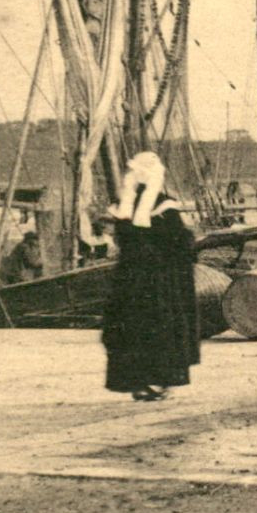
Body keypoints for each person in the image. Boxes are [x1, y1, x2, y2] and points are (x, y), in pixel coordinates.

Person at [103, 151, 199, 401]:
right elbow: (178, 242)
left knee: (130, 329)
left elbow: (124, 240)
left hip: (129, 280)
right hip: (158, 280)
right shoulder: (166, 206)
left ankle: (136, 383)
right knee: (160, 328)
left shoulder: (125, 205)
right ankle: (158, 381)